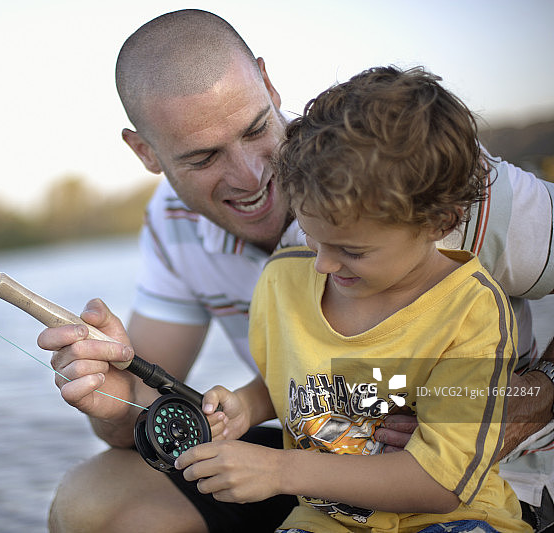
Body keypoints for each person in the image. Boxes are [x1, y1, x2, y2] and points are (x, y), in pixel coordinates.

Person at [42, 9, 554, 533]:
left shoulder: (421, 175)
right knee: (96, 501)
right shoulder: (177, 227)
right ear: (146, 152)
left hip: (499, 484)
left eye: (256, 128)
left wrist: (537, 390)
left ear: (268, 82)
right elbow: (145, 412)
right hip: (319, 481)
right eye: (203, 158)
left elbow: (446, 475)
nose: (251, 176)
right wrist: (110, 396)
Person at [174, 64, 530, 533]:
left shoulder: (471, 311)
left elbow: (441, 484)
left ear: (440, 222)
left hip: (456, 521)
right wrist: (245, 406)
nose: (322, 264)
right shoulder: (284, 279)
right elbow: (296, 384)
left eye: (351, 250)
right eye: (312, 237)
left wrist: (278, 470)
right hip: (323, 522)